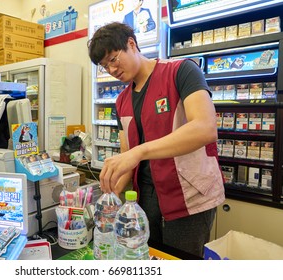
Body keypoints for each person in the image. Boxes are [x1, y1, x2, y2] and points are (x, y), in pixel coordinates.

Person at [88, 22, 225, 258]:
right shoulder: (121, 101)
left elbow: (205, 128)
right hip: (145, 199)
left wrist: (138, 152)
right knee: (147, 257)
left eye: (113, 59)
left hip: (189, 195)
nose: (110, 69)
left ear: (131, 44)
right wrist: (111, 196)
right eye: (104, 65)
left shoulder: (181, 71)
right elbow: (126, 157)